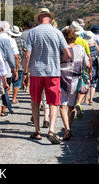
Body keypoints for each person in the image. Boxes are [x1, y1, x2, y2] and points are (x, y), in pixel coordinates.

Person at [23, 8, 71, 144]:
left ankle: (37, 131)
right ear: (50, 18)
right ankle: (51, 130)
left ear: (39, 18)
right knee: (53, 102)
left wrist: (25, 72)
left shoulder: (32, 33)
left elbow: (27, 54)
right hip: (53, 72)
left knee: (35, 101)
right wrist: (58, 60)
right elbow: (68, 54)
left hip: (36, 71)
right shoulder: (57, 33)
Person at [59, 29, 89, 140]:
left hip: (62, 79)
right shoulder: (80, 49)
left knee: (62, 105)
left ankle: (67, 129)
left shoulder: (61, 49)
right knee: (71, 106)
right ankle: (69, 128)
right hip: (76, 80)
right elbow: (86, 64)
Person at [0, 21, 16, 134]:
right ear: (1, 29)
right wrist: (13, 68)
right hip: (2, 72)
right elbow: (10, 57)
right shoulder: (5, 40)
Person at [70, 21, 92, 117]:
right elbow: (89, 57)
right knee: (83, 88)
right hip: (81, 68)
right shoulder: (83, 42)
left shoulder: (67, 42)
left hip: (68, 69)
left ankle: (71, 107)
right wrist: (90, 71)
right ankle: (78, 103)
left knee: (71, 90)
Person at [9, 25, 26, 104]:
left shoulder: (8, 40)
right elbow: (26, 51)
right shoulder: (22, 41)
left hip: (8, 64)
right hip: (19, 64)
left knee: (8, 82)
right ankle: (14, 98)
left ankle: (6, 97)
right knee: (17, 82)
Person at [84, 31, 99, 105]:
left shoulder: (84, 45)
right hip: (94, 64)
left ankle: (85, 100)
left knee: (86, 81)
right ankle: (91, 99)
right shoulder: (95, 44)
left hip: (86, 64)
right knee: (93, 83)